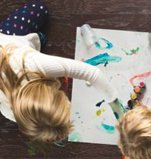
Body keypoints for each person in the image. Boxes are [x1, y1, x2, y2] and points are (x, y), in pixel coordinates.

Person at [0, 1, 123, 143]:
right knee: (38, 27)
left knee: (40, 11)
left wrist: (117, 108)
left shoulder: (36, 64)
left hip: (9, 40)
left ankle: (38, 38)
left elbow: (92, 73)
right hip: (11, 45)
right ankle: (38, 38)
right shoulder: (11, 111)